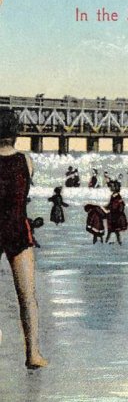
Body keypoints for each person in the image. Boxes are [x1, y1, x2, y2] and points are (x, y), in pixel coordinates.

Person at [0, 109, 47, 368]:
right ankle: (33, 354)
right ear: (15, 134)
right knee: (27, 296)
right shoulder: (26, 161)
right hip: (18, 229)